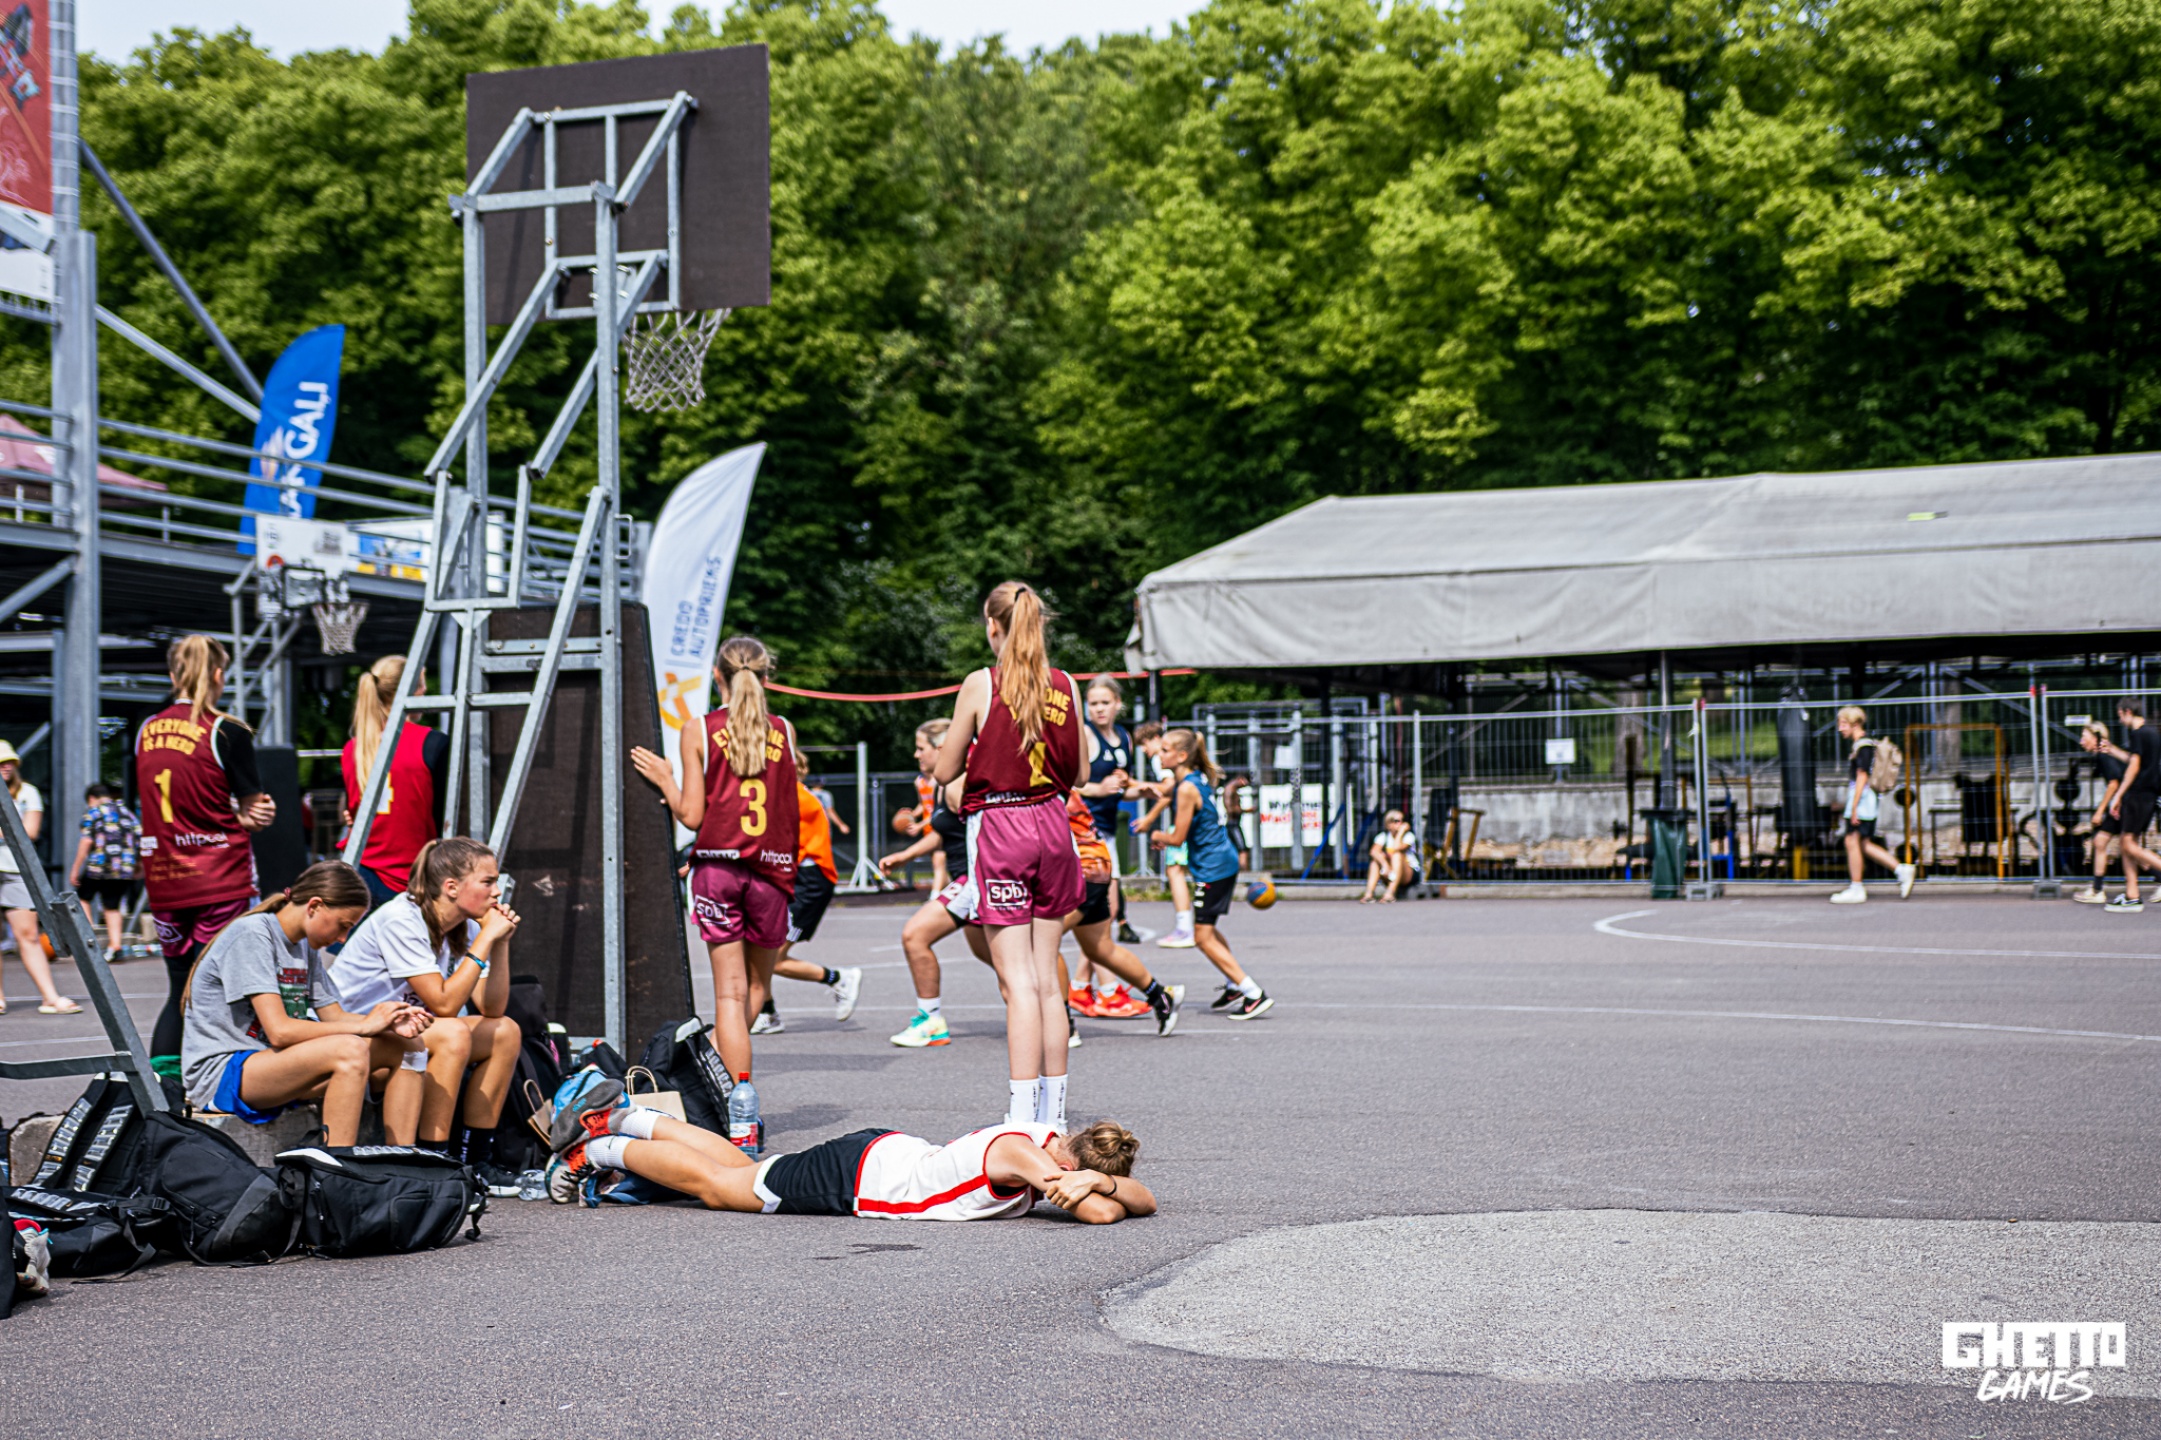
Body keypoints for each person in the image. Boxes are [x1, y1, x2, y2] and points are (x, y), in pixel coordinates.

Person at [629, 635, 799, 1142]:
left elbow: (691, 814)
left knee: (728, 994)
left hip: (718, 870)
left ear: (717, 676)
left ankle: (735, 1109)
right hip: (771, 872)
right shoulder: (783, 729)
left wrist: (666, 778)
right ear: (766, 676)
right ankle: (733, 1094)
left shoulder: (700, 728)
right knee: (755, 990)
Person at [932, 581, 1086, 1127]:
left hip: (1002, 823)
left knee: (1018, 982)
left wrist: (987, 753)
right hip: (1054, 823)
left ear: (993, 626)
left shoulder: (983, 682)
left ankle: (1021, 1118)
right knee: (1046, 981)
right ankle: (1055, 1116)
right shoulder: (1065, 684)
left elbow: (944, 770)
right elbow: (1081, 772)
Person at [547, 1093, 1153, 1224]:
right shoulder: (1026, 1157)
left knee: (736, 1167)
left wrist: (1099, 1179)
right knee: (717, 1188)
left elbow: (1140, 1200)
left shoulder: (1047, 1139)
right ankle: (595, 1148)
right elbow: (1105, 1214)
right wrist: (1096, 1188)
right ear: (1070, 1165)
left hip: (879, 1155)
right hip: (861, 1176)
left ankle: (625, 1118)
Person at [181, 860, 432, 1146]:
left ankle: (402, 1155)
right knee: (350, 1049)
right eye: (343, 926)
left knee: (407, 1045)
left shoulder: (304, 944)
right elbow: (280, 1032)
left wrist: (388, 1022)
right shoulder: (253, 934)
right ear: (314, 906)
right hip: (223, 1073)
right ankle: (334, 1164)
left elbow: (334, 1017)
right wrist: (365, 1026)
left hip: (272, 1062)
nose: (342, 938)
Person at [334, 837, 523, 1187]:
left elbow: (492, 1007)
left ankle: (476, 1160)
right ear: (451, 887)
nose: (497, 892)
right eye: (488, 882)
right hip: (359, 1039)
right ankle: (434, 1160)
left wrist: (500, 944)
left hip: (411, 1033)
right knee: (453, 1032)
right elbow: (444, 1005)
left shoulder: (466, 924)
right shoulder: (401, 919)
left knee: (504, 1031)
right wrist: (485, 939)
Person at [137, 636, 275, 1070]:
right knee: (219, 989)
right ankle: (225, 1077)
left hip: (164, 876)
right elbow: (254, 810)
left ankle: (164, 1079)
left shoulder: (146, 730)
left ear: (173, 675)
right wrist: (252, 814)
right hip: (220, 876)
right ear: (218, 675)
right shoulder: (227, 730)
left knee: (179, 984)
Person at [1154, 728, 1272, 1018]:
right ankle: (1234, 984)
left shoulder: (1187, 788)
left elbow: (1178, 838)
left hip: (1213, 867)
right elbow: (1161, 792)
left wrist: (1158, 834)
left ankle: (1253, 993)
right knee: (1207, 930)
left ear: (1182, 756)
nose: (1159, 754)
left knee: (1202, 937)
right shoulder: (1195, 779)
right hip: (1220, 861)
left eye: (1165, 750)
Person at [880, 767, 992, 1048]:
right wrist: (906, 855)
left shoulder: (962, 783)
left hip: (975, 878)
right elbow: (943, 832)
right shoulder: (941, 785)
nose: (917, 756)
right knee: (1002, 960)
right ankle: (1052, 1014)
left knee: (915, 935)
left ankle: (930, 1022)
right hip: (969, 878)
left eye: (922, 749)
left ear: (941, 748)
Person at [752, 778, 862, 1034]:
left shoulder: (788, 794)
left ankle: (839, 978)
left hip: (810, 883)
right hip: (797, 879)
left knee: (773, 958)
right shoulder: (784, 791)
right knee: (759, 951)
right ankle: (768, 1012)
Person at [1065, 793, 1180, 1035]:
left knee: (1039, 941)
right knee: (1100, 948)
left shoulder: (1041, 782)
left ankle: (1063, 1024)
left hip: (1080, 867)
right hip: (1094, 862)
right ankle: (1160, 997)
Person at [341, 655, 449, 908]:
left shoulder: (352, 749)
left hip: (360, 874)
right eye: (421, 685)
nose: (425, 691)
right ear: (411, 691)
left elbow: (352, 812)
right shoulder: (431, 743)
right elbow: (445, 816)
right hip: (410, 878)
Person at [0, 740, 76, 1014]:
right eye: (1, 762)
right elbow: (16, 830)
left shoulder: (27, 792)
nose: (6, 766)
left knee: (29, 935)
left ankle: (50, 997)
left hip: (16, 870)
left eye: (10, 761)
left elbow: (29, 832)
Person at [1827, 706, 1917, 905]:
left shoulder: (1863, 747)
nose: (1840, 728)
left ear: (1855, 724)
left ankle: (1857, 887)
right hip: (1867, 800)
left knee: (1851, 841)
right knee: (1863, 844)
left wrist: (1853, 807)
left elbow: (1862, 776)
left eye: (1844, 724)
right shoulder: (1865, 745)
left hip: (1862, 800)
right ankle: (1901, 870)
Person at [1076, 677, 1138, 951]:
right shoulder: (1085, 735)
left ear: (1117, 704)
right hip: (1083, 831)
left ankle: (1093, 975)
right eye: (1093, 704)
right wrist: (1098, 789)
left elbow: (1121, 790)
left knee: (1104, 913)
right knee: (1099, 909)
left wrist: (1147, 790)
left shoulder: (1124, 737)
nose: (1099, 709)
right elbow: (1067, 784)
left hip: (1108, 828)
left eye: (1105, 702)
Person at [1129, 722, 1196, 949]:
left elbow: (1168, 790)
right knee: (1181, 870)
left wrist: (1148, 818)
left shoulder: (1162, 759)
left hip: (1185, 822)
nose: (1145, 750)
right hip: (1192, 821)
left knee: (1174, 870)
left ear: (1156, 739)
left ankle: (1185, 928)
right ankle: (1190, 925)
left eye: (1145, 744)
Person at [69, 782, 142, 963]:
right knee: (112, 905)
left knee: (83, 897)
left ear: (91, 798)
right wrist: (138, 865)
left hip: (99, 866)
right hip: (123, 868)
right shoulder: (127, 813)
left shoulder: (93, 813)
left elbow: (86, 842)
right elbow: (138, 838)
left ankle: (89, 938)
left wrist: (75, 868)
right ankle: (115, 947)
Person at [2104, 700, 2161, 914]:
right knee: (2126, 842)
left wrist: (2118, 795)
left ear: (2127, 712)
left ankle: (2134, 894)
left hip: (2138, 794)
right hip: (2147, 795)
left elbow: (2134, 767)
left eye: (2120, 715)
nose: (2120, 720)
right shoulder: (2151, 733)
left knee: (2128, 844)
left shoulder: (2138, 734)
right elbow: (2135, 759)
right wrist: (2112, 750)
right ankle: (2132, 896)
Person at [1361, 809, 1420, 902]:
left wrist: (1401, 832)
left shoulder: (1408, 836)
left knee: (1397, 855)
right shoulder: (1383, 836)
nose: (1400, 823)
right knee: (1375, 862)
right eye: (1396, 821)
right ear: (1388, 824)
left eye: (1402, 820)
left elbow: (1396, 847)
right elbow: (1373, 852)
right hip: (1389, 871)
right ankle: (1369, 894)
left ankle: (1390, 893)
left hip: (1408, 873)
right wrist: (1384, 864)